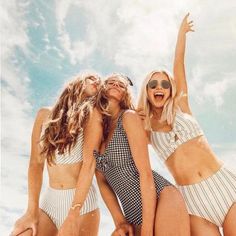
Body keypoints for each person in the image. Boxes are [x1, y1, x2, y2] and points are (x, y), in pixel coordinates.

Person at [138, 14, 236, 236]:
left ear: (171, 90)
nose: (159, 87)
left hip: (226, 186)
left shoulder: (182, 105)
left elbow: (178, 63)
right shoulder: (144, 126)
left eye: (164, 83)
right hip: (194, 203)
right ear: (147, 90)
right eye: (153, 84)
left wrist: (181, 35)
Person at [94, 73, 190, 235]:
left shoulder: (128, 118)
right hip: (131, 214)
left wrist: (147, 228)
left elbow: (145, 174)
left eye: (122, 84)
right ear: (102, 89)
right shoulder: (97, 130)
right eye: (112, 82)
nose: (117, 85)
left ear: (126, 94)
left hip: (161, 199)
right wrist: (119, 221)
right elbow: (102, 180)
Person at [11, 73, 102, 236]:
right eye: (92, 78)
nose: (97, 82)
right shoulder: (44, 115)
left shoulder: (92, 117)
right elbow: (36, 164)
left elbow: (88, 166)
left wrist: (73, 214)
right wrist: (31, 211)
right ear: (78, 81)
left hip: (82, 206)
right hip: (49, 203)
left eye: (100, 83)